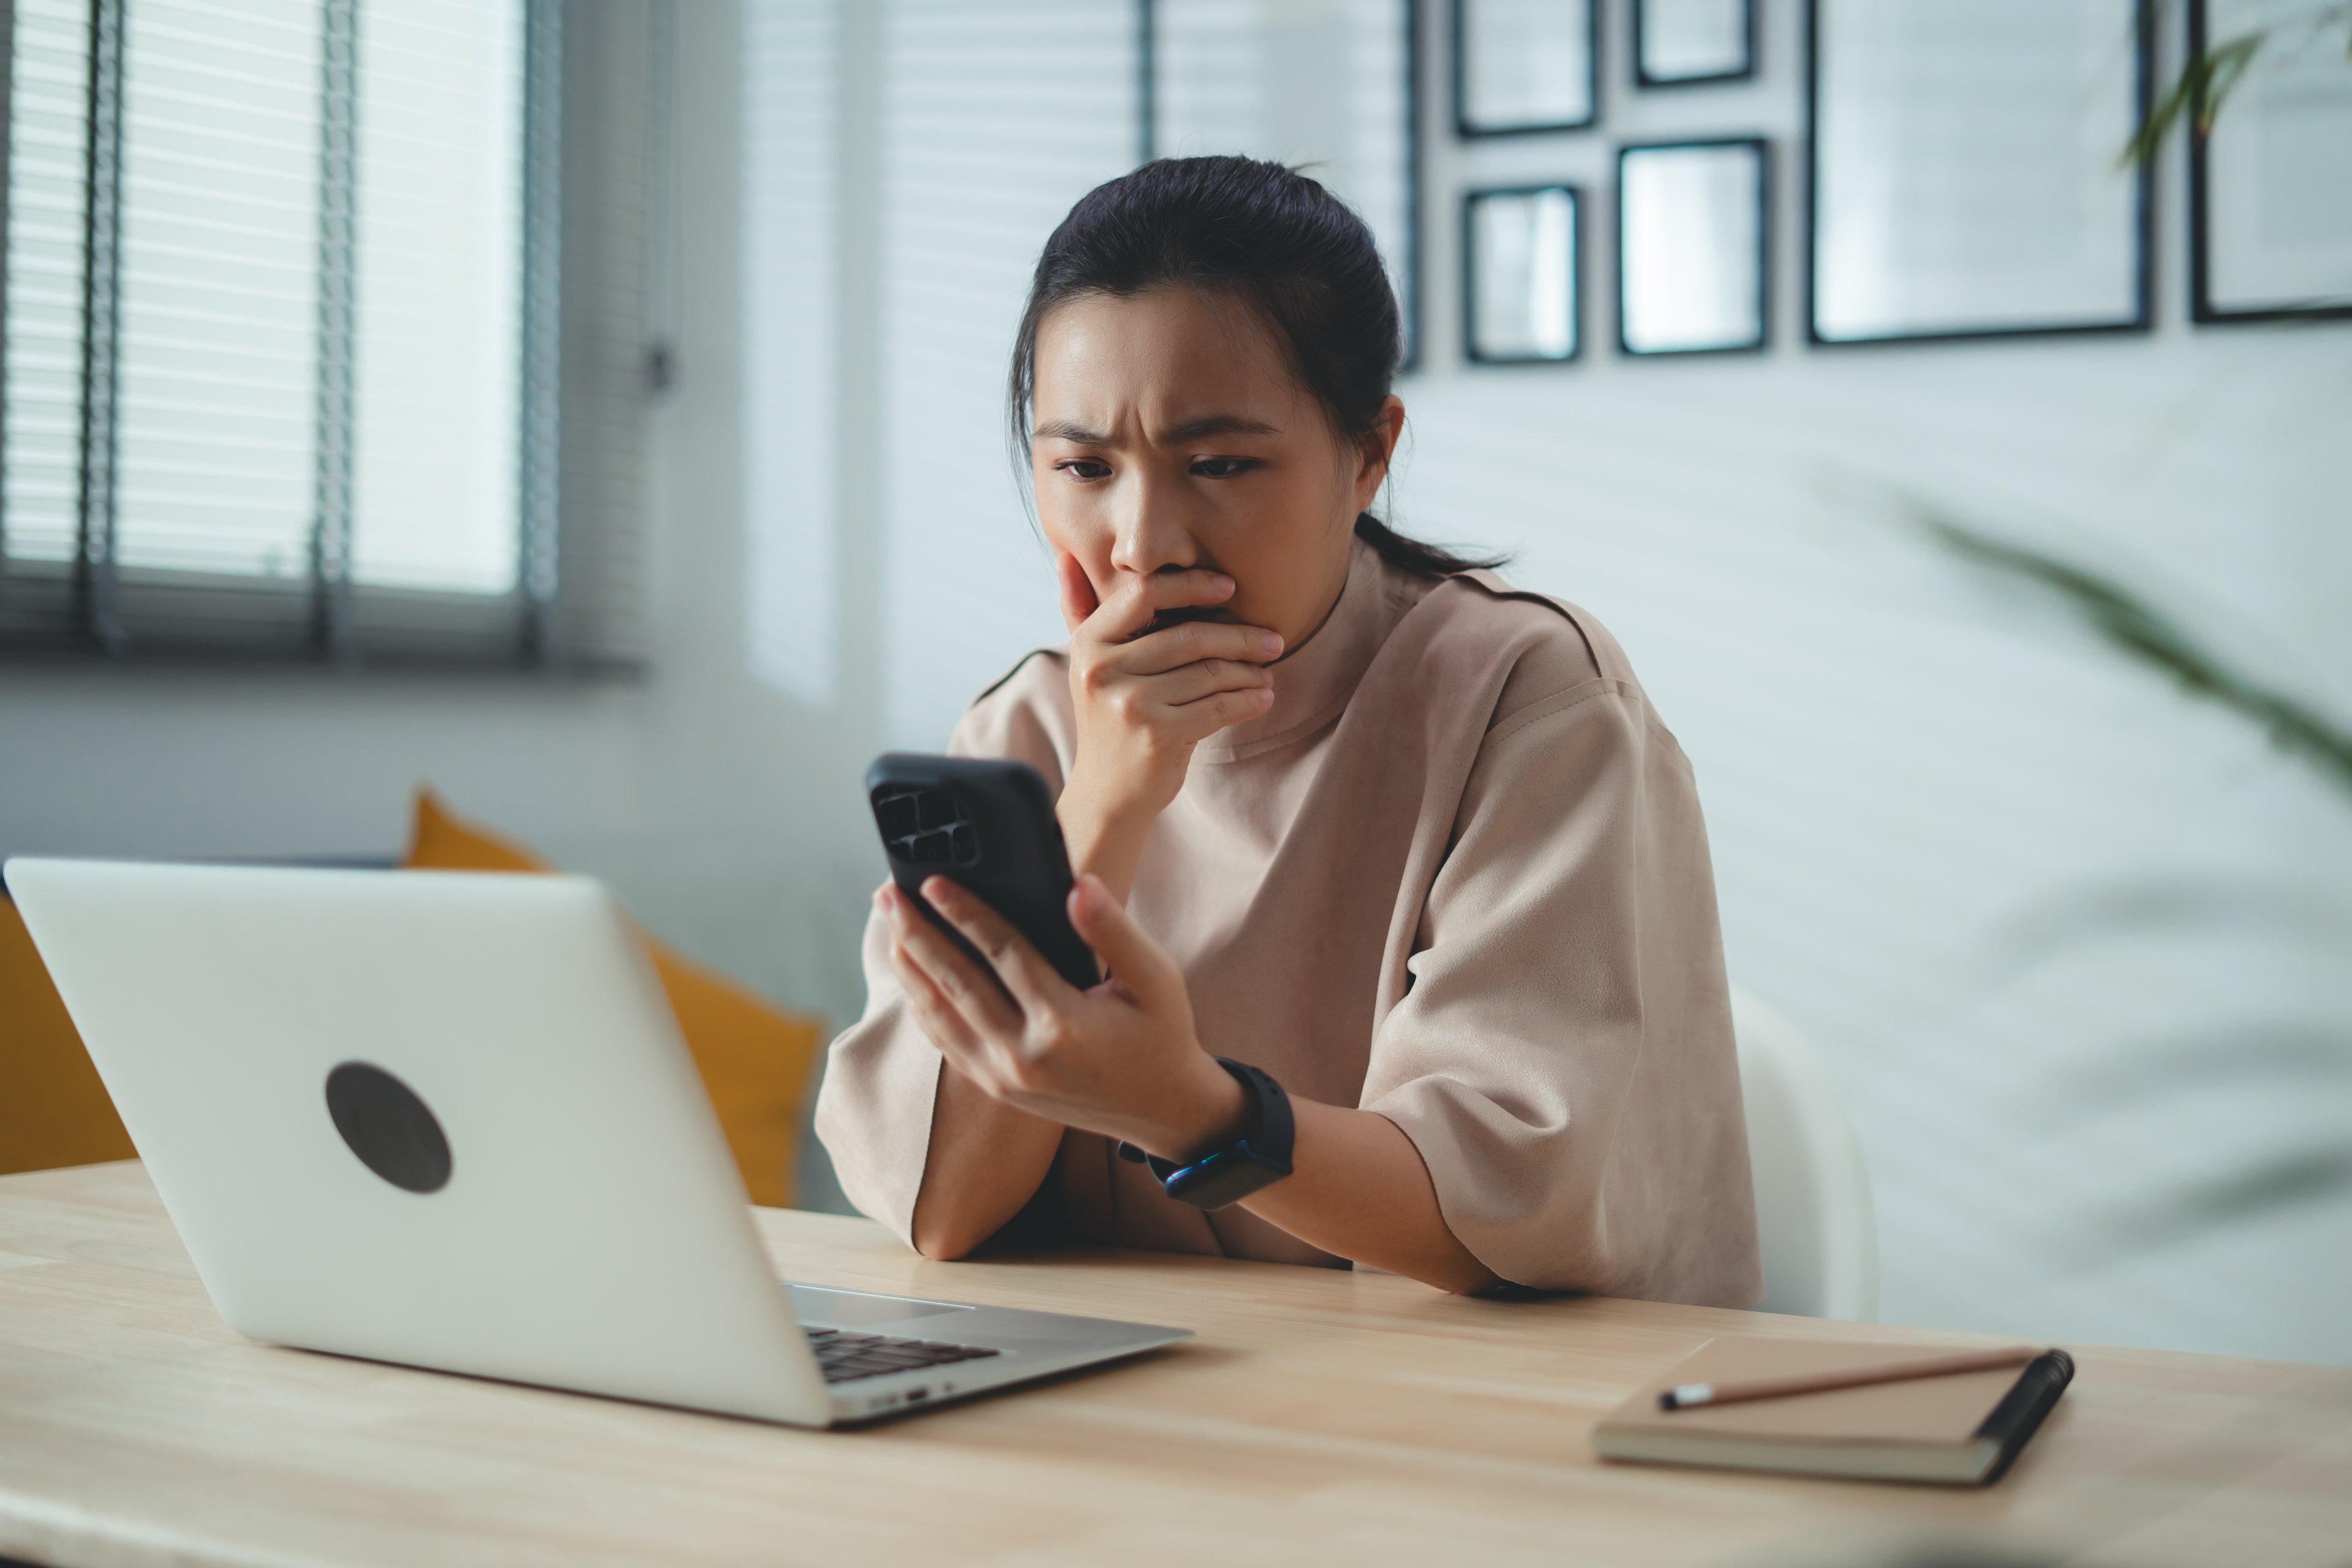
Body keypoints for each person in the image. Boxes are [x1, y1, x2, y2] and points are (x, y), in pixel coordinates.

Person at [815, 156, 1759, 1304]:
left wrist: (1194, 1113)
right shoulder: (1022, 729)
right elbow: (943, 1209)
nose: (1143, 542)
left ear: (1369, 453)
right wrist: (1103, 802)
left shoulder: (1528, 701)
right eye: (1084, 467)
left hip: (1463, 1391)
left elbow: (1509, 1212)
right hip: (1148, 1386)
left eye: (1218, 464)